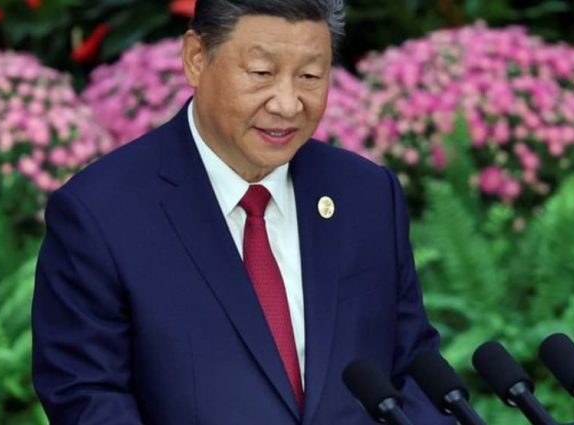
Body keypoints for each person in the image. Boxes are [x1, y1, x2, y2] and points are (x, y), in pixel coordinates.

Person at [31, 1, 451, 424]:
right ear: (197, 58)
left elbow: (417, 370)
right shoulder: (101, 213)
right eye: (262, 73)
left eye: (309, 76)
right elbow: (88, 397)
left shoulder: (367, 195)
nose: (287, 104)